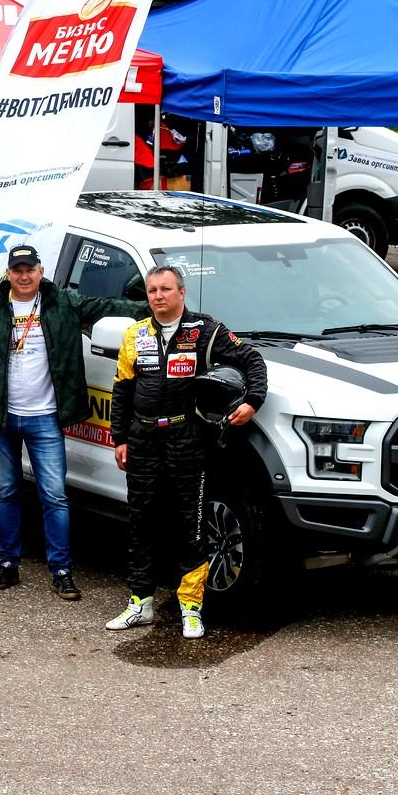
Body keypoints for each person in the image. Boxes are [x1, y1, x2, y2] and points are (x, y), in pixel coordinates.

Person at [0, 243, 143, 601]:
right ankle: (8, 563)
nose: (24, 276)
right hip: (0, 418)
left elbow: (110, 308)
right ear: (8, 273)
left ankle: (61, 570)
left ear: (40, 271)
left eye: (30, 269)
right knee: (6, 492)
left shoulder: (62, 302)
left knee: (55, 496)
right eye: (17, 270)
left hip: (45, 417)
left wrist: (157, 306)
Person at [105, 265, 267, 639]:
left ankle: (191, 608)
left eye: (165, 289)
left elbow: (251, 360)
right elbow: (122, 390)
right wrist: (120, 439)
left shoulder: (204, 330)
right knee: (141, 522)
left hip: (186, 437)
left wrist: (252, 401)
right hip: (143, 438)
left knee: (190, 526)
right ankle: (140, 602)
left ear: (181, 292)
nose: (158, 296)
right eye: (152, 290)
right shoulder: (135, 334)